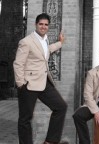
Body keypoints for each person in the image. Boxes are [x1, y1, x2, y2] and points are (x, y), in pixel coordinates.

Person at [13, 13, 68, 144]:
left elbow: (46, 51)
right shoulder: (26, 42)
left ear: (48, 26)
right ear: (36, 25)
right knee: (25, 119)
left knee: (61, 107)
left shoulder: (44, 40)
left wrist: (60, 43)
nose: (43, 27)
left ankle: (50, 141)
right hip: (29, 84)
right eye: (41, 24)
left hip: (44, 82)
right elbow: (18, 63)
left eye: (46, 25)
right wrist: (21, 84)